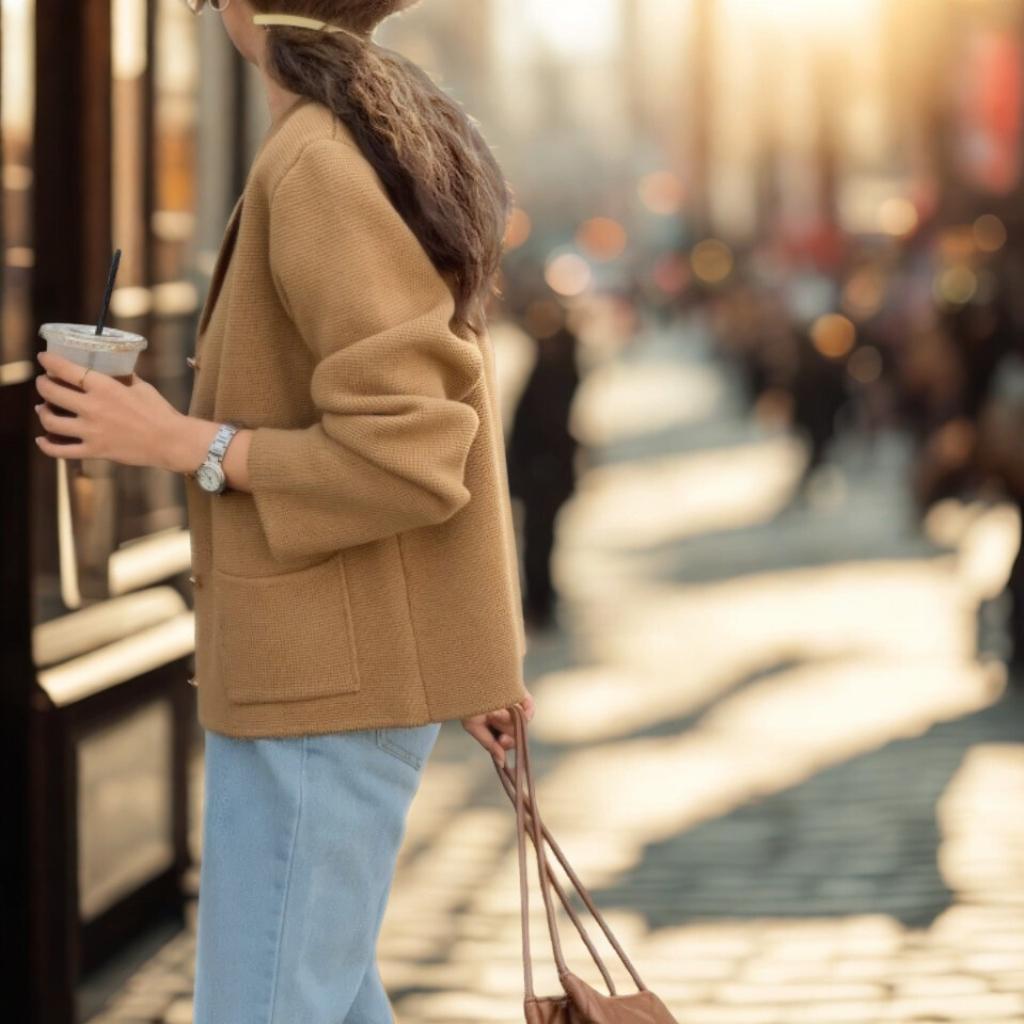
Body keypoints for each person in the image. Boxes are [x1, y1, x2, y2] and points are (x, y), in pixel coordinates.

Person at [31, 1, 535, 1020]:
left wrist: (181, 441)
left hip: (321, 693)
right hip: (326, 682)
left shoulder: (319, 162)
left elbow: (412, 452)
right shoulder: (359, 137)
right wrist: (474, 653)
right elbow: (448, 414)